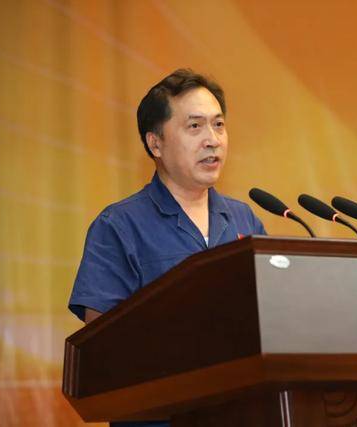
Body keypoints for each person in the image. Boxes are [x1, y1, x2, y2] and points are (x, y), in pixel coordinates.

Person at [68, 69, 266, 426]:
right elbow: (102, 350)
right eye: (195, 126)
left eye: (218, 125)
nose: (212, 140)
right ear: (155, 144)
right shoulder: (119, 226)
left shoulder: (244, 220)